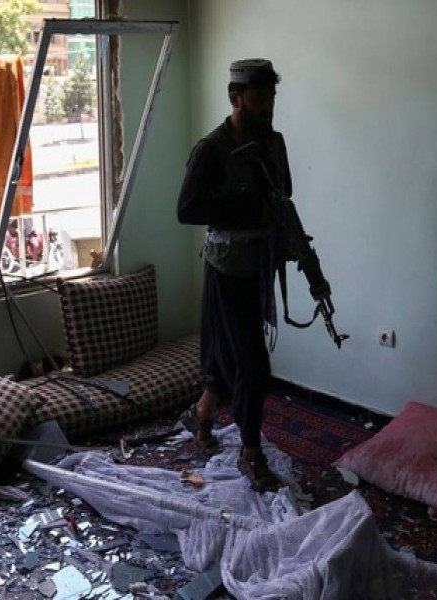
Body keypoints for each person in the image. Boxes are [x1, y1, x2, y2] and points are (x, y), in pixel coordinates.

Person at [176, 58, 292, 493]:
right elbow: (187, 209)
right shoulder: (212, 149)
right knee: (252, 363)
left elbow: (283, 196)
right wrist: (249, 212)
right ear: (235, 98)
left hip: (259, 263)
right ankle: (250, 453)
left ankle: (202, 414)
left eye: (272, 99)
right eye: (259, 100)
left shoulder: (274, 144)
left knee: (228, 357)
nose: (267, 108)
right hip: (226, 270)